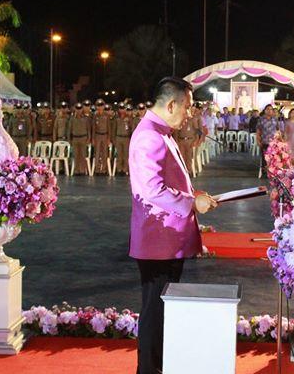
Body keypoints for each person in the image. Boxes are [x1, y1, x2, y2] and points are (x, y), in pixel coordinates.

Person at [128, 77, 217, 374]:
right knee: (155, 312)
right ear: (170, 105)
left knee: (161, 309)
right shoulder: (150, 136)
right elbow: (152, 190)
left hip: (165, 238)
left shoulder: (159, 132)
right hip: (158, 239)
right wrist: (191, 203)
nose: (190, 114)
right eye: (187, 107)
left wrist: (194, 196)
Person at [69, 101, 92, 175]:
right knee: (76, 155)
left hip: (83, 138)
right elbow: (69, 130)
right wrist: (69, 140)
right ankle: (76, 170)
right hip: (75, 138)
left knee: (82, 155)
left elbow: (88, 129)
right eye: (77, 108)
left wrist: (88, 138)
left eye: (80, 108)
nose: (78, 110)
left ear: (82, 109)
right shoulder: (72, 119)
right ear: (75, 109)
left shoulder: (86, 119)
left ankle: (82, 170)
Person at [112, 102, 133, 175]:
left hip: (126, 138)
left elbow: (131, 129)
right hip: (118, 137)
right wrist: (114, 139)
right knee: (119, 155)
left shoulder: (129, 118)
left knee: (126, 155)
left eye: (123, 108)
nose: (122, 110)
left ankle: (125, 170)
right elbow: (114, 129)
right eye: (120, 108)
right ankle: (119, 169)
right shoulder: (116, 118)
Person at [92, 99, 111, 175]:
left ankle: (104, 169)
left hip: (105, 135)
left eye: (101, 105)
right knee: (97, 153)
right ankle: (97, 169)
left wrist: (109, 138)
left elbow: (109, 127)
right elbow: (93, 128)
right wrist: (93, 138)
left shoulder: (107, 115)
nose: (100, 107)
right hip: (97, 135)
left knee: (104, 153)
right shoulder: (95, 115)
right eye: (98, 106)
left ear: (103, 106)